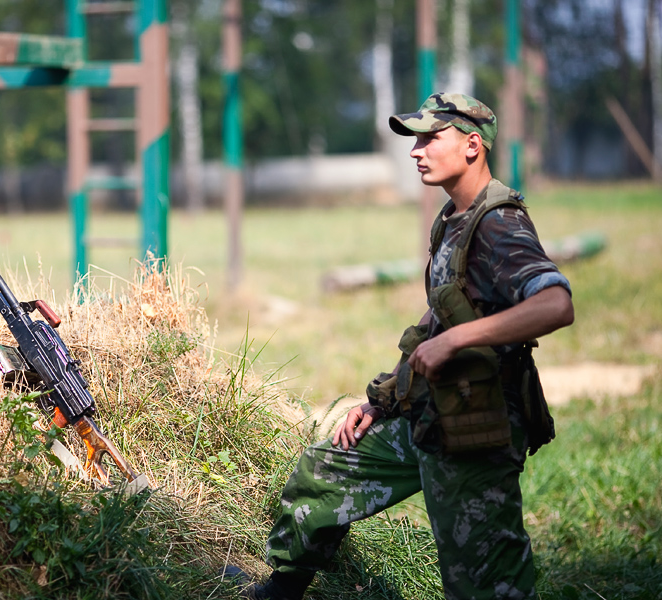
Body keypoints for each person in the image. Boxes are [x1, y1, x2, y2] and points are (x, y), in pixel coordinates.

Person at [228, 92, 575, 600]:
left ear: (472, 145)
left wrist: (458, 338)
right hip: (431, 412)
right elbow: (442, 312)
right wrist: (385, 396)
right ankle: (279, 592)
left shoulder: (499, 223)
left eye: (431, 139)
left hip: (477, 428)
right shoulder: (454, 217)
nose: (416, 151)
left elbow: (556, 304)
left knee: (481, 580)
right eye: (415, 141)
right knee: (326, 473)